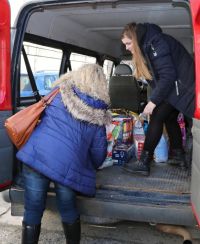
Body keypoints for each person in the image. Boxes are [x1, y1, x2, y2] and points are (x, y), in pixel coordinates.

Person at [16, 64, 111, 244]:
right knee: (67, 208)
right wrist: (89, 164)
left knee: (33, 209)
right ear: (101, 84)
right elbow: (98, 154)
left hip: (36, 156)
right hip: (67, 167)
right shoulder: (98, 114)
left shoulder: (58, 93)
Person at [121, 22, 195, 176]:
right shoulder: (149, 44)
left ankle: (144, 162)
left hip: (182, 87)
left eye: (128, 43)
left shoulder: (155, 43)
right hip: (177, 87)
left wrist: (153, 101)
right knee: (169, 117)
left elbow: (168, 75)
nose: (127, 47)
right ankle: (178, 155)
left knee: (156, 116)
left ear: (135, 38)